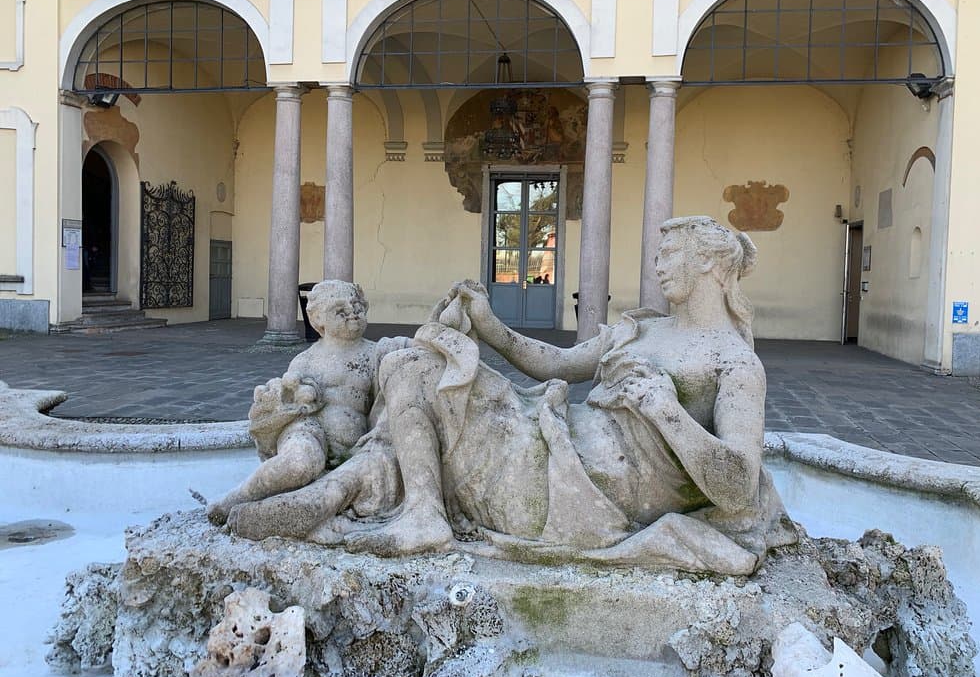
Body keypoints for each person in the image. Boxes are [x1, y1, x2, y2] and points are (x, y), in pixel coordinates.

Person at [226, 219, 794, 574]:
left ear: (707, 263)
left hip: (581, 487)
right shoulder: (641, 329)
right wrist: (488, 324)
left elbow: (738, 488)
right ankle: (385, 503)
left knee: (412, 368)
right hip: (553, 435)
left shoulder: (734, 364)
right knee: (412, 359)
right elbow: (558, 364)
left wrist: (667, 413)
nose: (657, 266)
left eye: (668, 255)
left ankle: (346, 495)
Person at [207, 281, 407, 525]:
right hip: (307, 429)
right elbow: (288, 399)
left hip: (352, 447)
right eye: (340, 310)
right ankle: (236, 498)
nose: (353, 313)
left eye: (357, 307)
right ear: (318, 319)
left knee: (329, 484)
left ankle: (269, 511)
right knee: (300, 462)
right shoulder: (306, 360)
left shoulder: (377, 354)